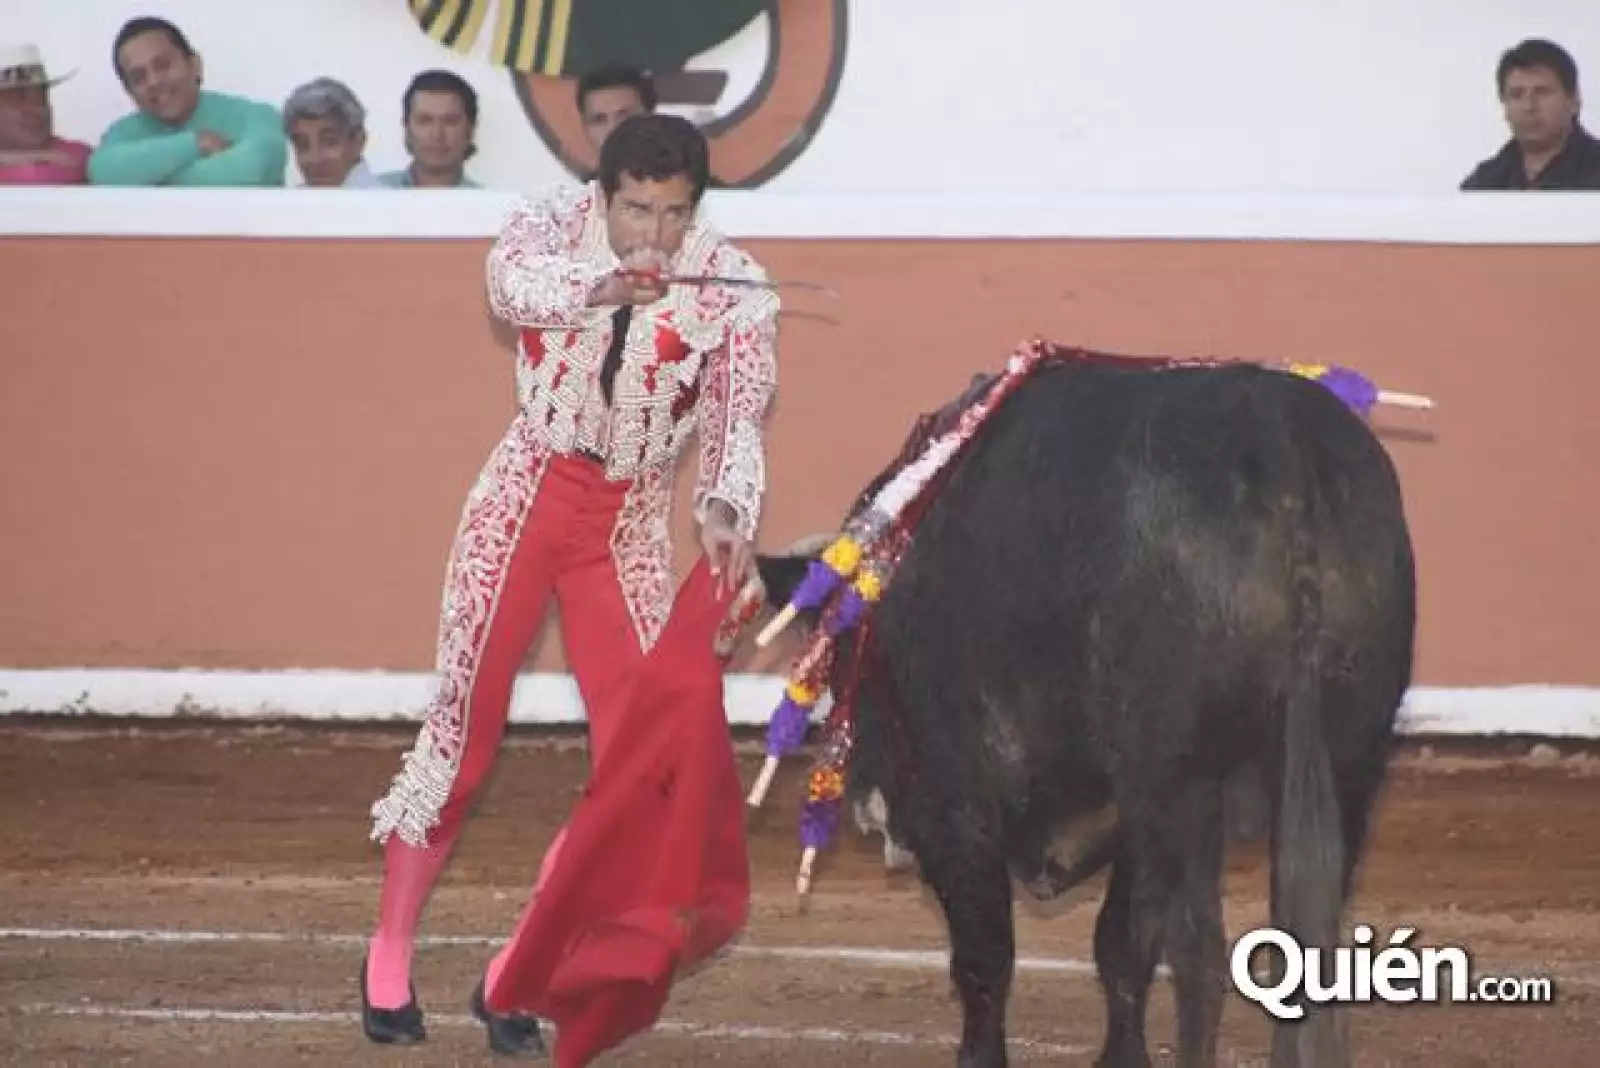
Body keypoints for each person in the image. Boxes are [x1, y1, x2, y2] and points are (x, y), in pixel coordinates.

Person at [361, 112, 778, 1059]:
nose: (655, 234)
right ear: (604, 196)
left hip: (627, 523)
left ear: (696, 206)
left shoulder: (738, 287)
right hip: (525, 497)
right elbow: (508, 288)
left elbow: (735, 417)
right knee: (461, 737)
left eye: (674, 214)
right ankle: (388, 950)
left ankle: (520, 968)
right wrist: (601, 285)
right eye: (636, 209)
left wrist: (721, 510)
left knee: (634, 768)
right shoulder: (552, 224)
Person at [88, 17, 287, 187]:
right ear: (129, 91)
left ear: (195, 65)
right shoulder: (122, 134)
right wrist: (194, 144)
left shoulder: (256, 116)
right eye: (139, 77)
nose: (154, 81)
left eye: (163, 65)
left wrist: (147, 179)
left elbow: (255, 168)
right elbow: (102, 171)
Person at [1462, 38, 1600, 190]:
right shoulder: (1484, 182)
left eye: (1542, 92)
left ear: (1574, 100)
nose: (1529, 106)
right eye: (1516, 94)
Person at [0, 44, 91, 185]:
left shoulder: (76, 154)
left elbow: (35, 178)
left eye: (41, 98)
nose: (35, 109)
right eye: (18, 99)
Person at [377, 70, 481, 188]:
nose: (437, 135)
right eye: (424, 121)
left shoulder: (489, 204)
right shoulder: (370, 195)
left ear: (470, 130)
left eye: (450, 122)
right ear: (406, 128)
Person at [281, 77, 381, 188]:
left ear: (359, 140)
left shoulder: (382, 202)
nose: (315, 159)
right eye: (302, 145)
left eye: (329, 142)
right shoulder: (291, 200)